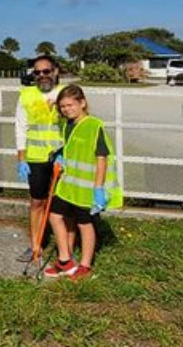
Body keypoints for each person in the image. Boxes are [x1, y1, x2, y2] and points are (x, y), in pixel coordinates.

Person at [44, 85, 123, 280]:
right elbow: (71, 149)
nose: (66, 109)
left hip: (87, 187)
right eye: (62, 106)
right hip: (68, 185)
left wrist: (98, 188)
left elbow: (102, 158)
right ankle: (65, 260)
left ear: (83, 103)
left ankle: (85, 265)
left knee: (84, 224)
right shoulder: (68, 125)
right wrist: (60, 157)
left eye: (70, 105)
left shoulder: (94, 125)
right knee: (54, 216)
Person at [14, 54, 65, 262]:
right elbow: (20, 127)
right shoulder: (26, 95)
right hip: (35, 159)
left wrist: (66, 153)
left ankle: (66, 250)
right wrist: (21, 158)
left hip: (62, 158)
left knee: (62, 204)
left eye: (46, 71)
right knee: (37, 202)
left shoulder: (65, 93)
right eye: (37, 72)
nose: (42, 75)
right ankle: (36, 245)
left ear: (55, 71)